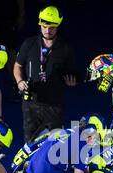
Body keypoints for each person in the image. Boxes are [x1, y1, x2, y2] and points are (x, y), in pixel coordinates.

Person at [14, 5, 78, 143]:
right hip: (31, 104)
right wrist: (19, 81)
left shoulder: (66, 48)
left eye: (52, 27)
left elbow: (72, 74)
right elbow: (17, 66)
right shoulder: (29, 43)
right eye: (44, 27)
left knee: (55, 143)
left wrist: (71, 82)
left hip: (54, 105)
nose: (47, 30)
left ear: (58, 26)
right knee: (30, 144)